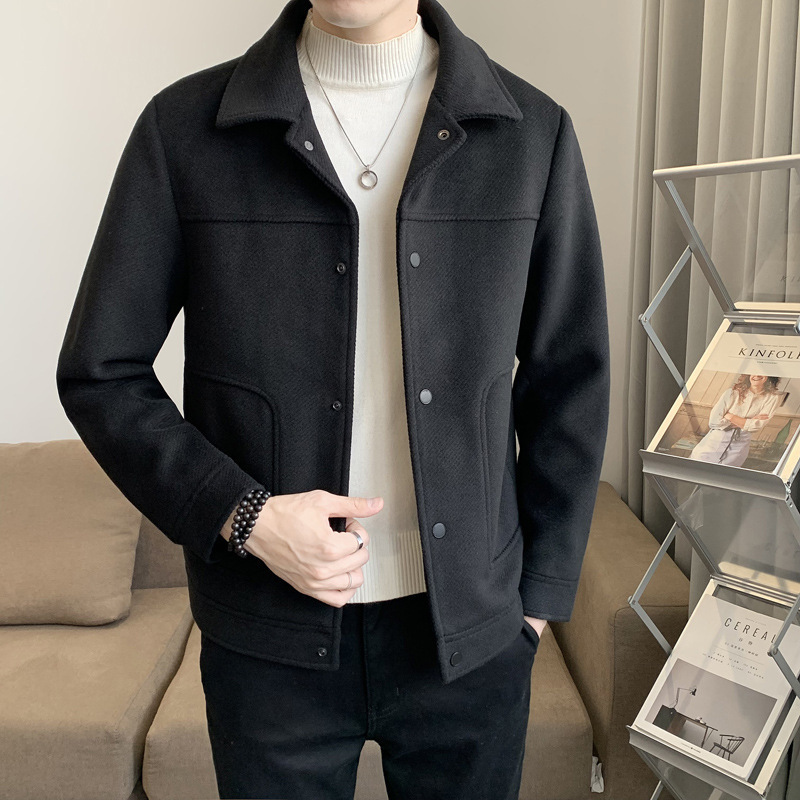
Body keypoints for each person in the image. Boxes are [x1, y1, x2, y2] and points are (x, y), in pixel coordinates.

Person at [56, 0, 611, 798]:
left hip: (472, 641)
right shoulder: (185, 131)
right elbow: (100, 372)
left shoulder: (531, 134)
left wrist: (536, 603)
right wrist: (245, 517)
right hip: (268, 644)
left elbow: (570, 380)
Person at [690, 375, 782, 467]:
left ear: (769, 377)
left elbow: (756, 426)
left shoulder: (772, 398)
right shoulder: (731, 393)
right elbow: (714, 422)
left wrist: (730, 416)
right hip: (710, 447)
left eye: (762, 373)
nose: (757, 375)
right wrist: (749, 421)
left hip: (737, 452)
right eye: (754, 372)